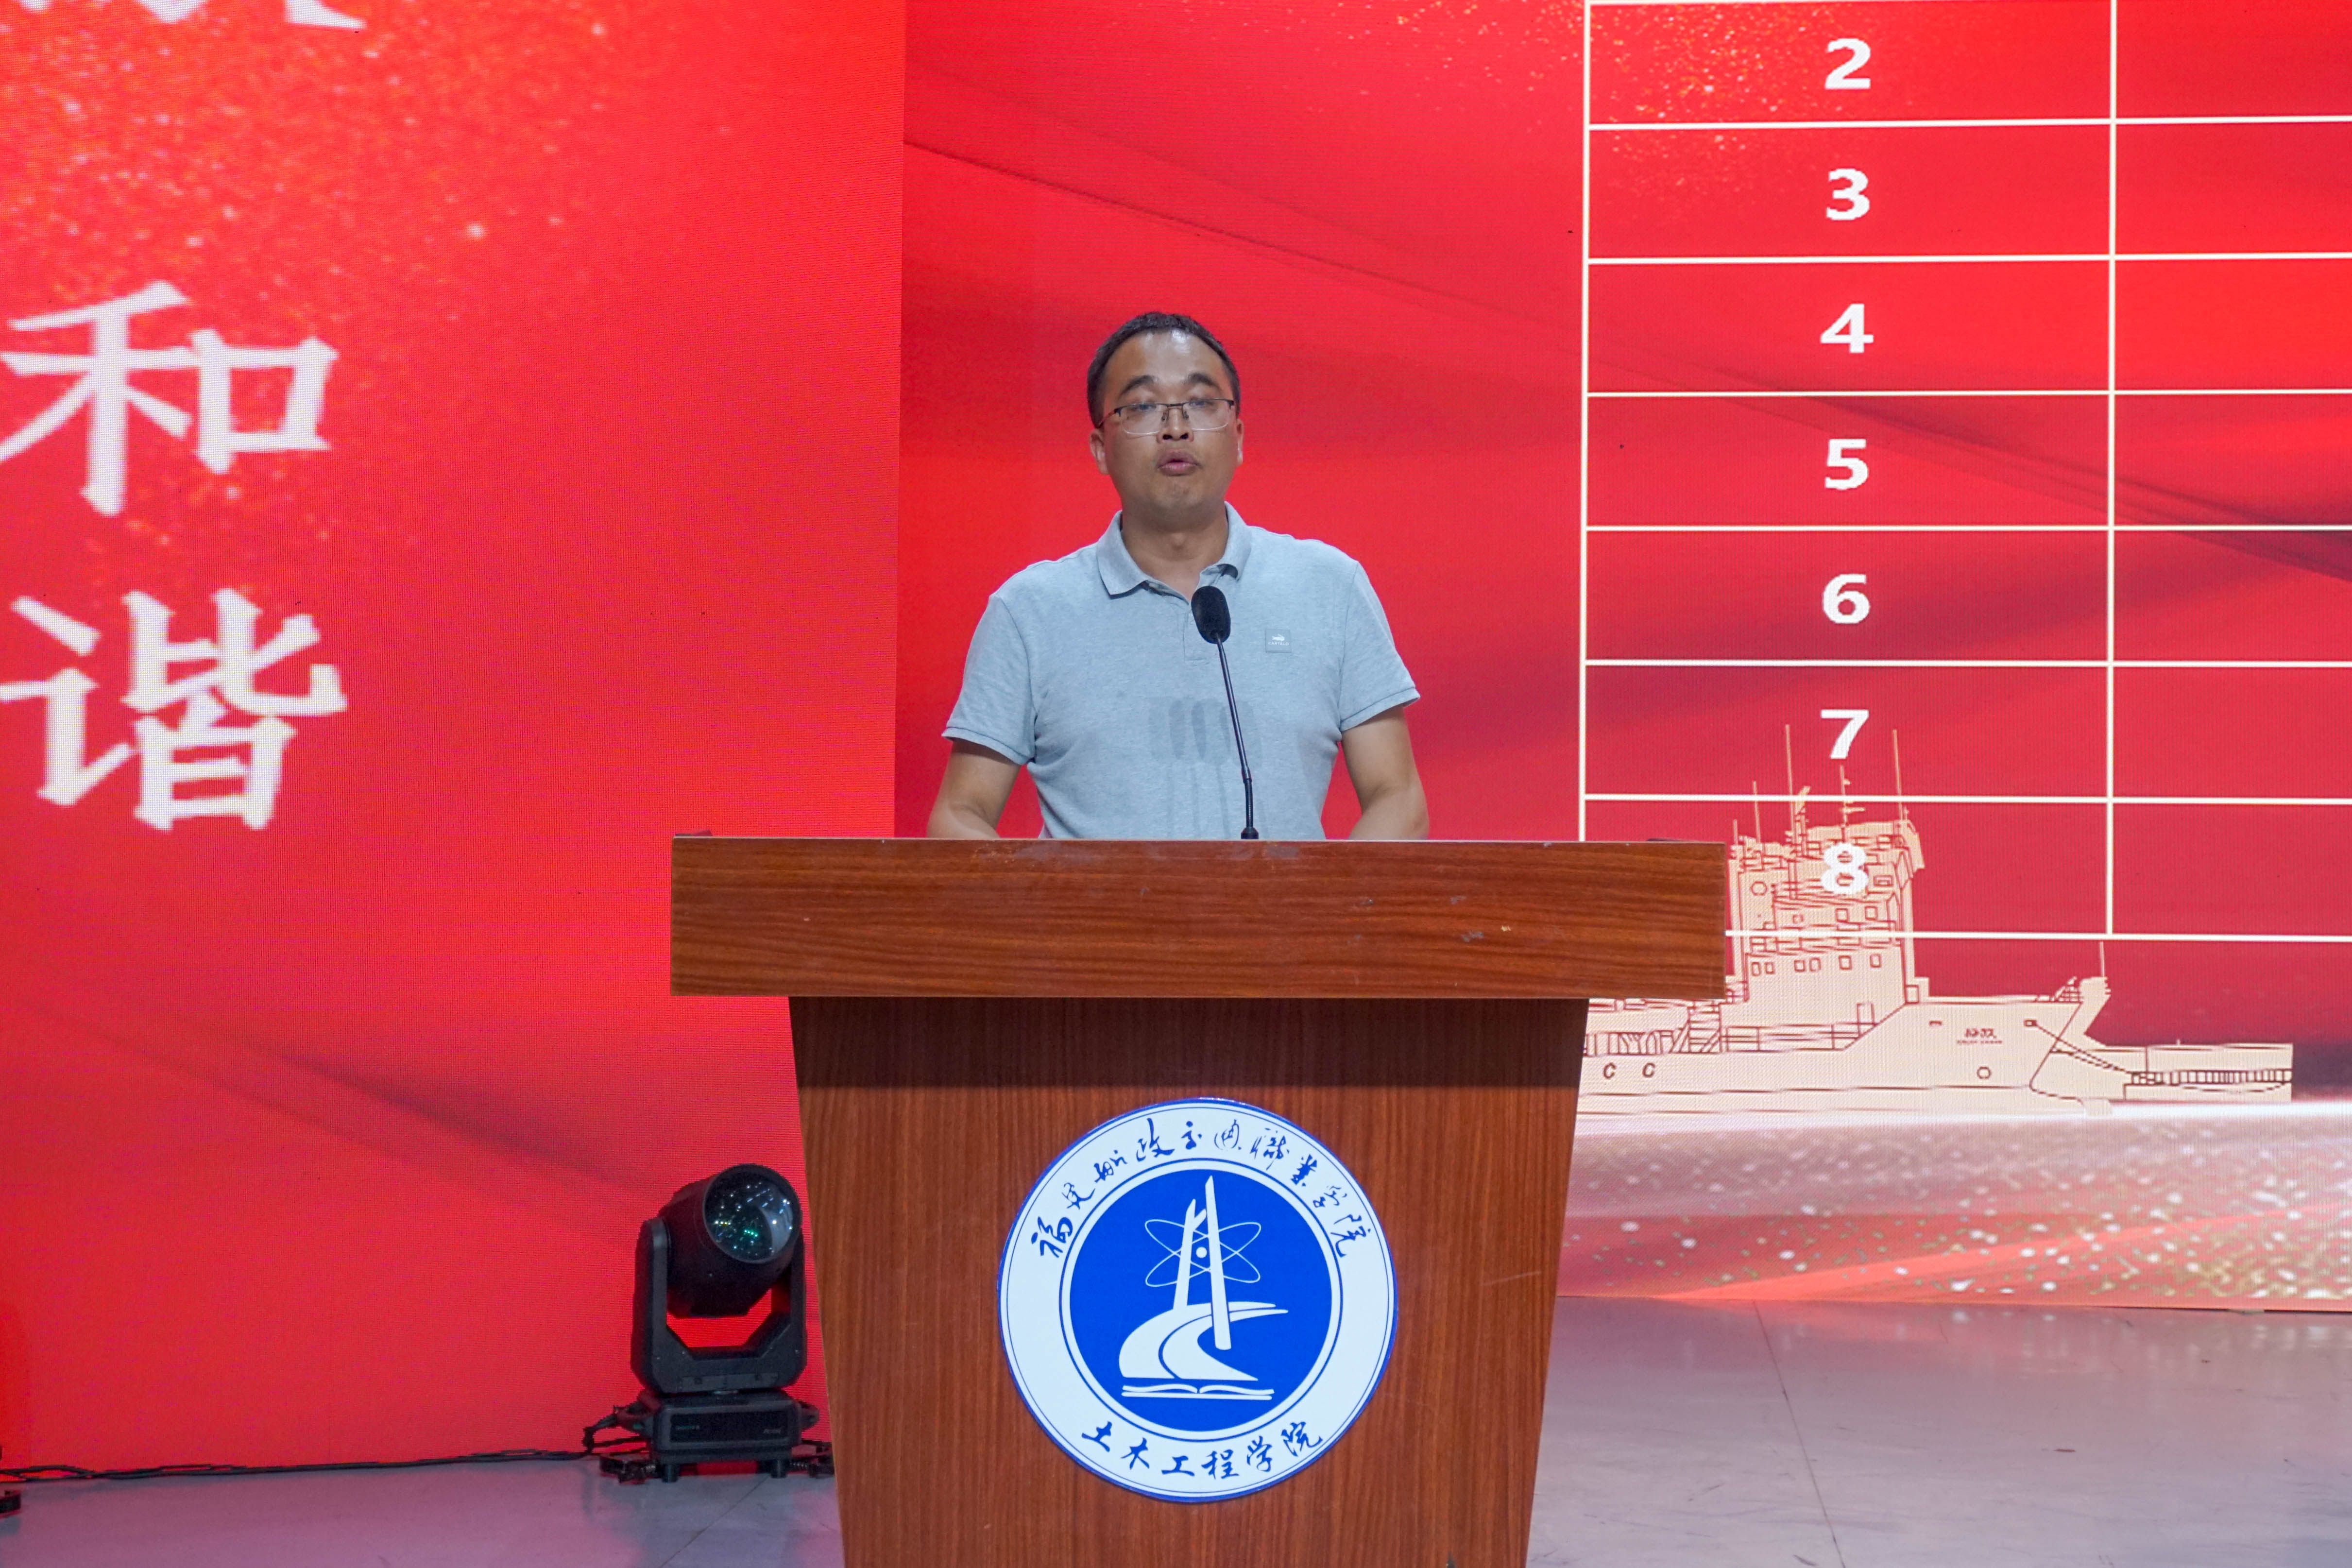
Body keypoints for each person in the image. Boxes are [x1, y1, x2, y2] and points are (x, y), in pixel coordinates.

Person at [926, 311, 1429, 841]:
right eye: (1143, 406)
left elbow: (1397, 796)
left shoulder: (1330, 588)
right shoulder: (1029, 611)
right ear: (1100, 449)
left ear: (1238, 438)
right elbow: (960, 813)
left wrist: (1323, 896)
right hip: (1094, 902)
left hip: (1286, 902)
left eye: (1201, 402)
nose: (1176, 428)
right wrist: (1044, 898)